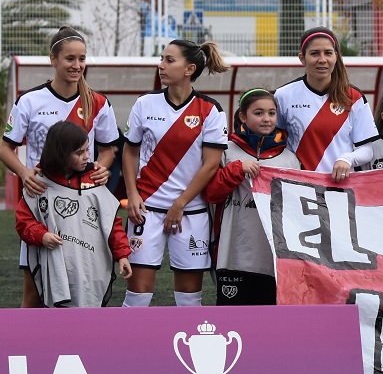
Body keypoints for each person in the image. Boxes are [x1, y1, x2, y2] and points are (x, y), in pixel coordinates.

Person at [1, 27, 119, 308]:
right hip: (41, 203)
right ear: (53, 59)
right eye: (69, 58)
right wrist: (24, 172)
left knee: (85, 283)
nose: (77, 65)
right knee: (34, 289)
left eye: (82, 59)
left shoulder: (98, 102)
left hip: (82, 207)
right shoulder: (29, 100)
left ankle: (79, 348)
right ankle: (27, 351)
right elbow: (5, 147)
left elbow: (108, 149)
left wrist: (101, 168)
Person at [122, 39, 230, 307]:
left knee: (189, 301)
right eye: (162, 59)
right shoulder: (145, 103)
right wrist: (132, 194)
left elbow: (211, 164)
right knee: (137, 297)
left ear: (189, 69)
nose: (161, 65)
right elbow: (130, 151)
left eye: (169, 60)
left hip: (191, 212)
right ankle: (127, 348)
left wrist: (180, 204)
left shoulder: (211, 110)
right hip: (146, 210)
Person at [14, 121, 131, 307]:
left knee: (89, 308)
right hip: (55, 266)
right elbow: (23, 221)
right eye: (79, 153)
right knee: (48, 309)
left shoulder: (94, 180)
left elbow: (112, 223)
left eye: (87, 150)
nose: (87, 156)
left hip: (89, 265)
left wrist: (122, 254)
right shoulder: (39, 183)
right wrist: (41, 235)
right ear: (61, 154)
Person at [202, 88, 299, 306]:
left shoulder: (290, 159)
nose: (266, 119)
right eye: (258, 113)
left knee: (269, 324)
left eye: (271, 113)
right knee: (233, 321)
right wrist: (236, 170)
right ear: (242, 116)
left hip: (273, 259)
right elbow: (211, 194)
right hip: (232, 254)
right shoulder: (226, 151)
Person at [275, 28, 379, 174]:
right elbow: (277, 144)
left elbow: (366, 150)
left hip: (341, 189)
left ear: (335, 56)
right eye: (315, 53)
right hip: (299, 187)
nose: (322, 59)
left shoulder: (353, 97)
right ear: (302, 58)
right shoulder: (283, 95)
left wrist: (347, 159)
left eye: (328, 53)